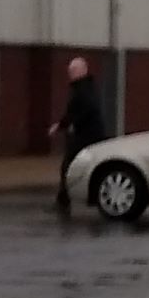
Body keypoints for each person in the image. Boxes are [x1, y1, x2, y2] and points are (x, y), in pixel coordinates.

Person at [55, 57, 108, 213]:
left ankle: (64, 199)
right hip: (86, 133)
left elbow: (82, 110)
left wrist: (69, 124)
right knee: (71, 165)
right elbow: (73, 111)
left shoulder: (83, 89)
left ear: (83, 70)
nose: (71, 74)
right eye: (70, 71)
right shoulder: (83, 88)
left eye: (74, 70)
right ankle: (64, 198)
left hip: (86, 134)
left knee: (69, 165)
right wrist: (62, 124)